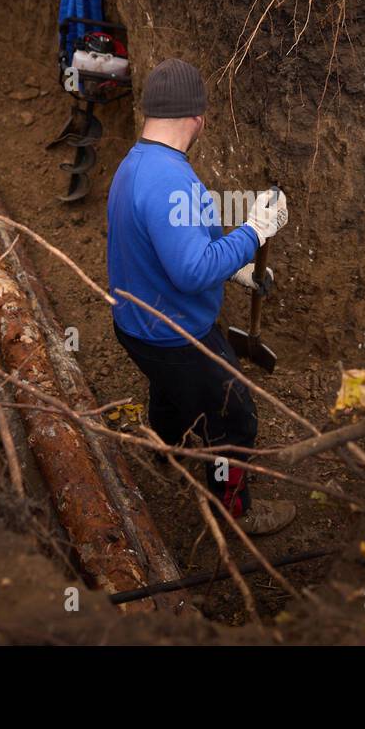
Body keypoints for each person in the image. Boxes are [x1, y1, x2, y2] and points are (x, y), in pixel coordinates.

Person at [106, 58, 295, 535]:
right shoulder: (172, 178)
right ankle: (234, 513)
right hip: (175, 336)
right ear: (197, 117)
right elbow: (190, 271)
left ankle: (167, 451)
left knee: (169, 389)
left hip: (138, 326)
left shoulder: (136, 164)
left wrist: (235, 272)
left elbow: (164, 251)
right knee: (233, 418)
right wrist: (253, 231)